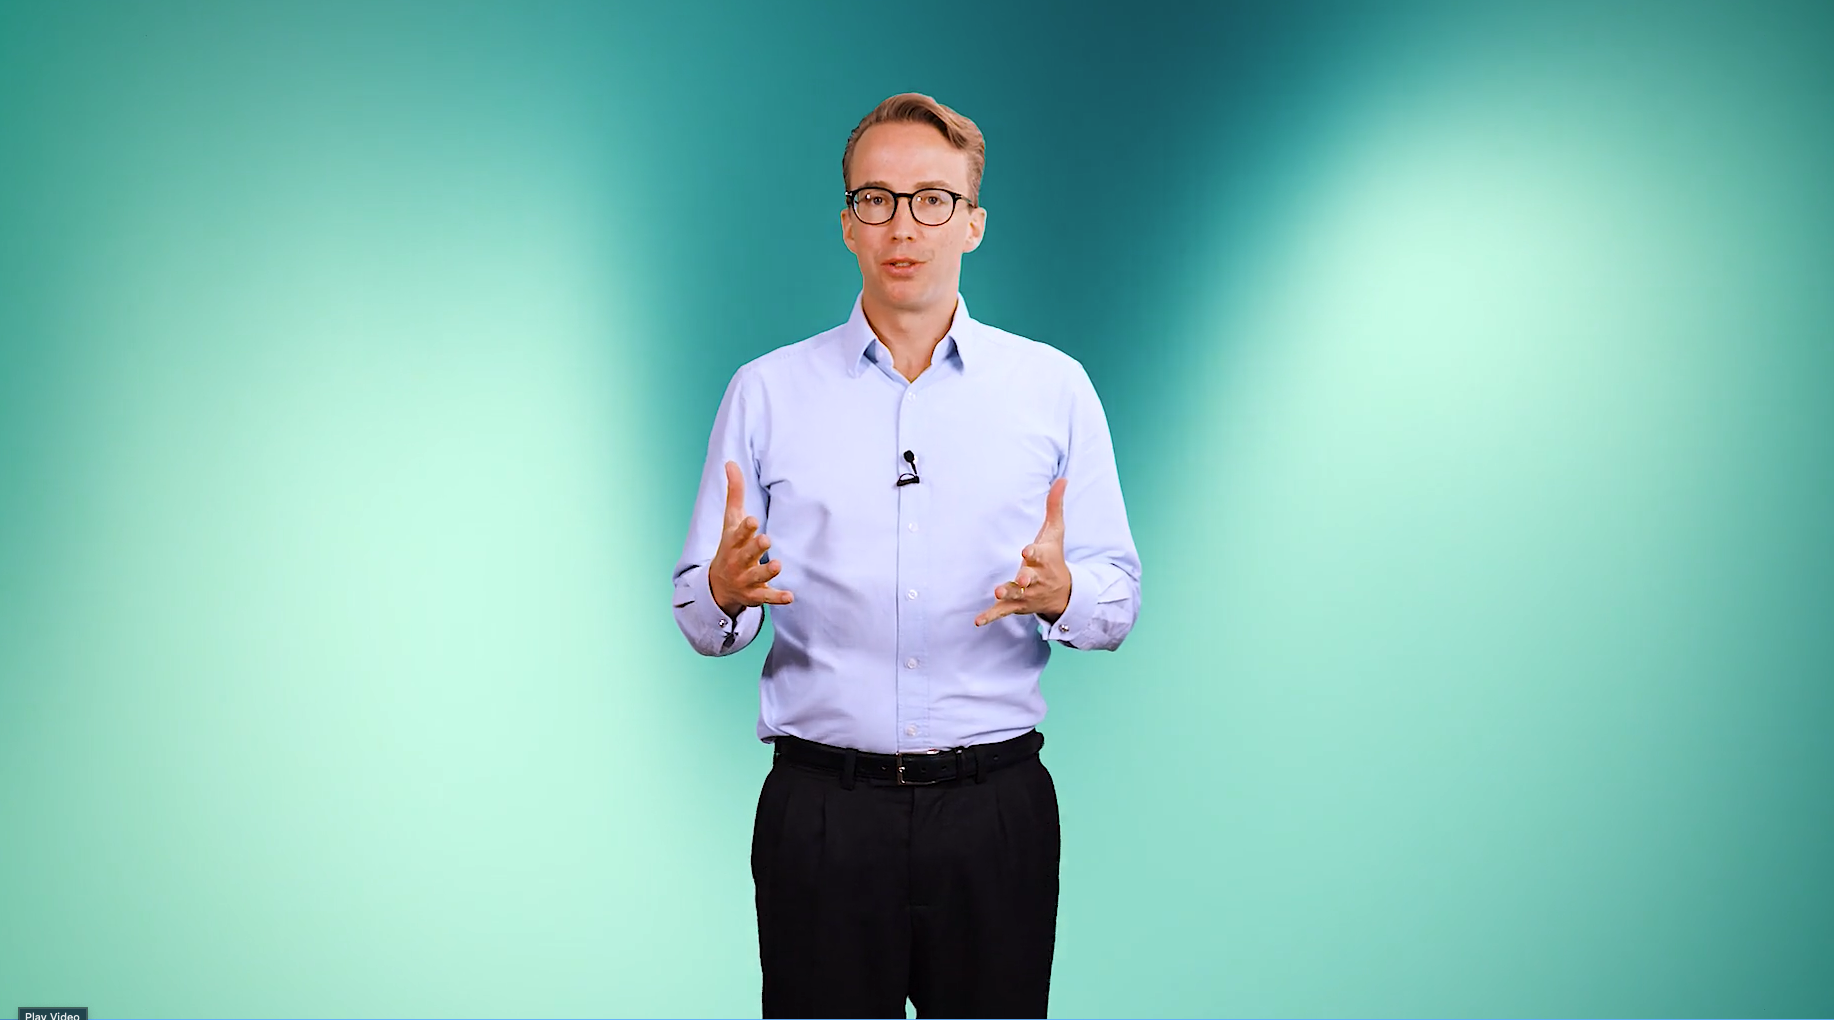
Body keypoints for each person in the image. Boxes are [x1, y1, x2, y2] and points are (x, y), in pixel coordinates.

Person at [670, 92, 1142, 1019]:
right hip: (822, 813)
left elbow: (1116, 602)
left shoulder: (1053, 388)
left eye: (932, 199)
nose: (903, 225)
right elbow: (697, 611)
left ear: (972, 223)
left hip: (994, 812)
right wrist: (725, 592)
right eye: (876, 199)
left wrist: (1063, 592)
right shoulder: (766, 391)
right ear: (848, 223)